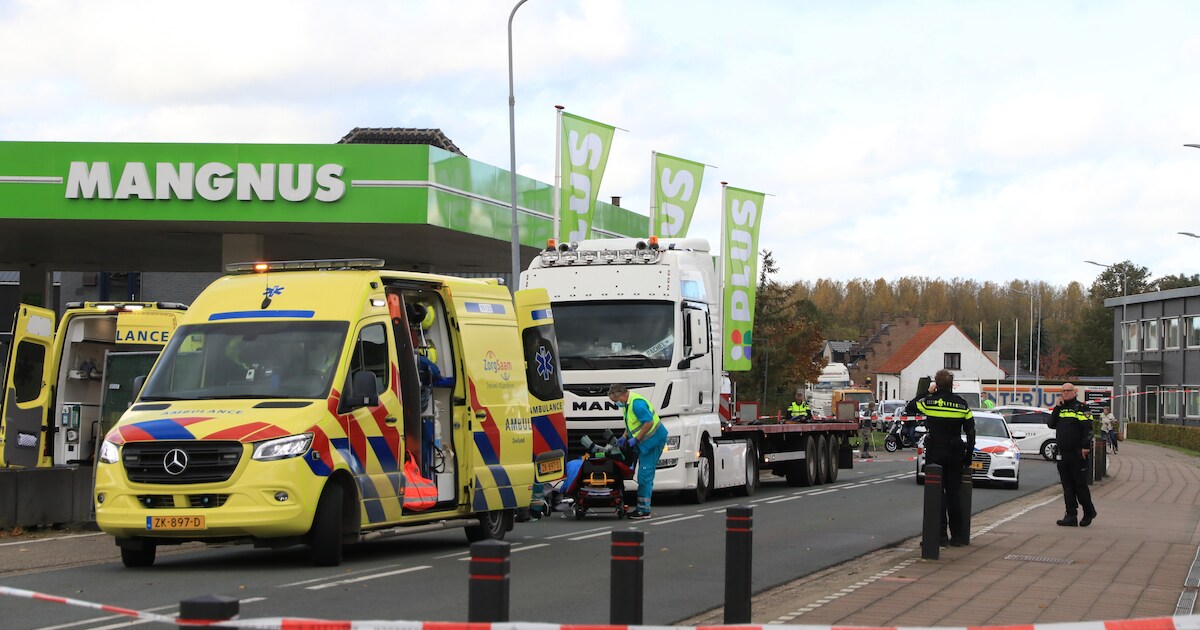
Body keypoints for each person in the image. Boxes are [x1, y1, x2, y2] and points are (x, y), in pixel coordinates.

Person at [905, 369, 975, 547]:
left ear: (936, 384)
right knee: (954, 495)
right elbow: (971, 431)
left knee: (936, 495)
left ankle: (939, 536)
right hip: (955, 452)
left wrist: (927, 392)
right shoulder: (962, 404)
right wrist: (968, 456)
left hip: (936, 451)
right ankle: (958, 537)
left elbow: (911, 406)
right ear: (952, 385)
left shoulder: (930, 402)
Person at [609, 383, 669, 520]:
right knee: (640, 473)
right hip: (646, 442)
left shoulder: (637, 404)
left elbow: (648, 423)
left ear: (622, 395)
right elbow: (632, 423)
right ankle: (642, 508)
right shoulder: (627, 404)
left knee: (644, 475)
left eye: (616, 401)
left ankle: (644, 510)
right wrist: (624, 436)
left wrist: (636, 439)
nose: (616, 404)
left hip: (653, 442)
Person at [1048, 383, 1097, 527]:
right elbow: (1051, 424)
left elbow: (1088, 429)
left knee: (1080, 486)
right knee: (1067, 487)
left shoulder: (1082, 408)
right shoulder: (1061, 408)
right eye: (1063, 391)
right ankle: (1070, 515)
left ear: (1075, 392)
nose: (1066, 393)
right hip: (1063, 454)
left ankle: (1089, 511)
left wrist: (1085, 447)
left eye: (1069, 390)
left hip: (1077, 453)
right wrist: (1057, 407)